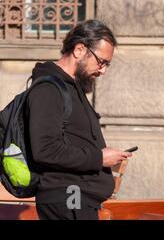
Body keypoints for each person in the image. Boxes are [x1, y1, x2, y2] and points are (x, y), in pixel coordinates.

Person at [25, 19, 132, 220]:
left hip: (77, 202)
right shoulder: (48, 89)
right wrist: (99, 158)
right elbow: (45, 150)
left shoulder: (73, 88)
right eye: (101, 62)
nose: (103, 71)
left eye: (107, 65)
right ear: (79, 50)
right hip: (68, 200)